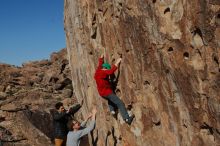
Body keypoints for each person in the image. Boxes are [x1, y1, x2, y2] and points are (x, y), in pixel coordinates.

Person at [94, 54, 134, 125]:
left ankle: (112, 110)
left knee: (110, 98)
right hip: (107, 92)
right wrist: (117, 63)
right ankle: (127, 119)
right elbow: (111, 71)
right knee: (120, 103)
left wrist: (101, 58)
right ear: (106, 68)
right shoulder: (104, 72)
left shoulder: (98, 71)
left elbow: (100, 65)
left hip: (101, 93)